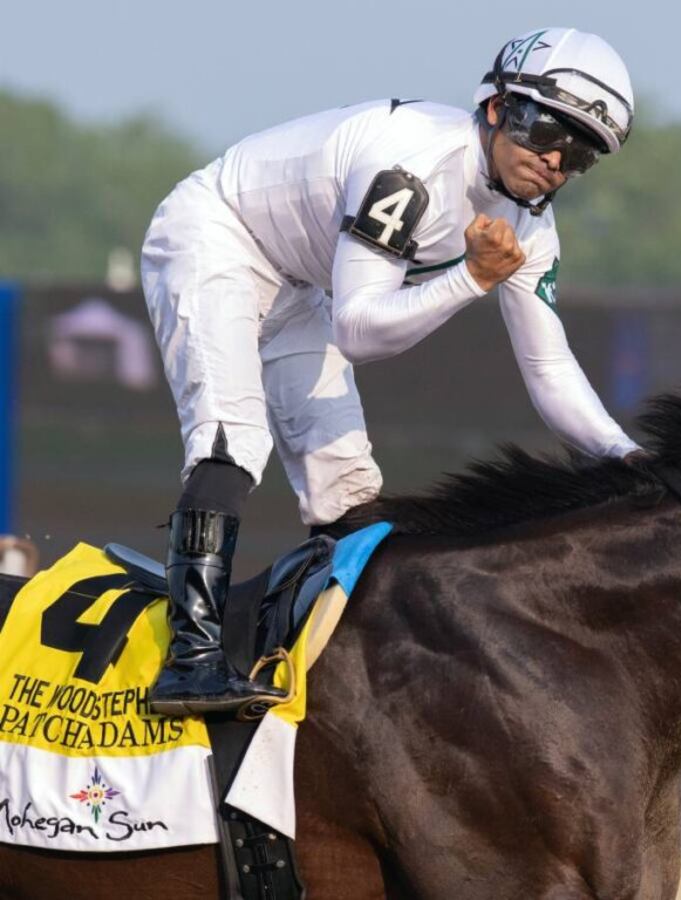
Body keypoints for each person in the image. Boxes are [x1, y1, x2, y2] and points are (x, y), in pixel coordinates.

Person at [140, 27, 645, 716]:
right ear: (496, 108)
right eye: (542, 130)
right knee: (233, 439)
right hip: (219, 234)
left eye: (579, 151)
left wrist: (628, 457)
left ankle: (348, 677)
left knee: (347, 491)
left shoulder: (530, 229)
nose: (553, 160)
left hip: (300, 282)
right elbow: (359, 332)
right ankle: (188, 661)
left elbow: (550, 368)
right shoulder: (410, 167)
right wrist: (470, 278)